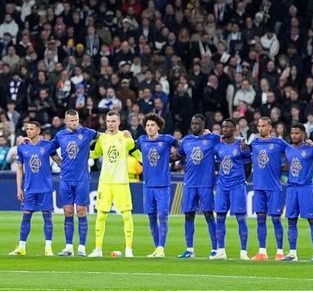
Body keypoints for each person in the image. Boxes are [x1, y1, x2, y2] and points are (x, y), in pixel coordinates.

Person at [90, 109, 137, 258]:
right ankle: (98, 249)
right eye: (108, 121)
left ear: (119, 122)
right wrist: (80, 150)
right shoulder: (102, 138)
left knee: (126, 215)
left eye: (113, 121)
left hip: (121, 182)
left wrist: (151, 161)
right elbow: (95, 154)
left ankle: (129, 249)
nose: (110, 124)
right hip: (105, 182)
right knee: (101, 216)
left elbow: (137, 153)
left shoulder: (125, 137)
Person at [52, 108, 97, 256]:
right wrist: (60, 163)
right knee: (68, 212)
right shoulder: (60, 135)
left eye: (76, 120)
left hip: (82, 179)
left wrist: (123, 134)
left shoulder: (87, 133)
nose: (74, 123)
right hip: (65, 179)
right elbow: (50, 149)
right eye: (71, 121)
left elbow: (105, 136)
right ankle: (69, 247)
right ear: (66, 121)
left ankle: (82, 248)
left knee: (81, 211)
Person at [10, 120, 57, 256]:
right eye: (27, 129)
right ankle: (21, 247)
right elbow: (19, 169)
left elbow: (58, 160)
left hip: (45, 188)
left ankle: (48, 248)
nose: (28, 131)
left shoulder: (48, 146)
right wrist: (19, 188)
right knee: (26, 216)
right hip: (29, 188)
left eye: (31, 129)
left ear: (38, 131)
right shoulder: (22, 147)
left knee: (47, 217)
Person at [135, 113, 177, 257]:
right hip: (148, 185)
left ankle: (161, 247)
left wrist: (172, 159)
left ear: (158, 126)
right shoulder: (141, 140)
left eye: (152, 125)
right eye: (147, 125)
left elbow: (182, 148)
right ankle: (157, 249)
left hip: (163, 185)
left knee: (163, 216)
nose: (150, 128)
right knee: (151, 217)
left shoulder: (167, 140)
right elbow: (129, 148)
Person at [248, 116, 289, 260]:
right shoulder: (254, 143)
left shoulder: (278, 143)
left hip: (274, 187)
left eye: (264, 126)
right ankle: (262, 252)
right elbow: (245, 157)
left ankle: (279, 251)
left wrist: (285, 168)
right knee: (260, 219)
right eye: (259, 126)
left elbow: (293, 154)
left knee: (276, 219)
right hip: (258, 187)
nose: (261, 128)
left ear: (270, 127)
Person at [177, 115, 219, 258]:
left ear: (203, 125)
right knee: (188, 215)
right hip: (189, 183)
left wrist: (212, 133)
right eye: (192, 123)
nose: (194, 125)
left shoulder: (212, 139)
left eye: (197, 123)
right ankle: (189, 250)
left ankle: (215, 249)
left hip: (206, 184)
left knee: (208, 214)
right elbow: (180, 154)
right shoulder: (186, 140)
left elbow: (225, 139)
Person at [282, 124, 313, 262]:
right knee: (291, 220)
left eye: (297, 133)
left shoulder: (310, 149)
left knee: (312, 220)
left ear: (303, 135)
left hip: (306, 187)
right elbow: (288, 166)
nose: (294, 135)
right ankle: (293, 253)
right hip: (292, 188)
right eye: (292, 133)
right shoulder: (288, 149)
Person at [212, 129, 250, 259]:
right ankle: (221, 251)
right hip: (222, 185)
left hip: (237, 186)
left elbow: (248, 164)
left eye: (228, 127)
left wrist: (242, 179)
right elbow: (217, 163)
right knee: (220, 217)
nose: (225, 129)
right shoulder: (218, 147)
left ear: (234, 130)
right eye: (224, 127)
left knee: (240, 218)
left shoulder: (241, 145)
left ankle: (243, 252)